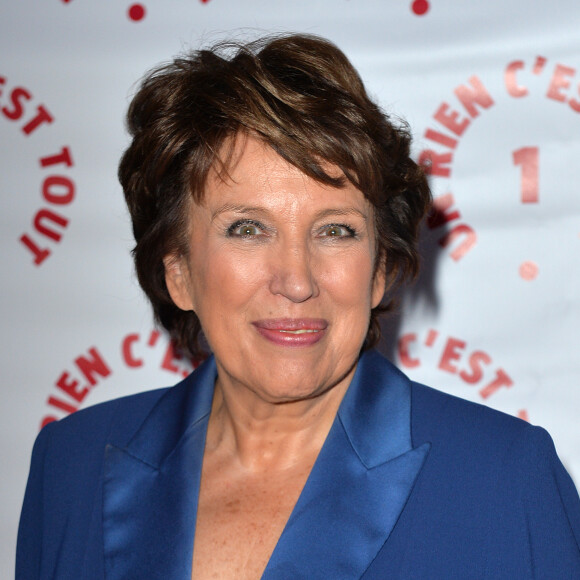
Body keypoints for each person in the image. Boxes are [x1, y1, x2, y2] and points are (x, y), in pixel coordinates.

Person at [16, 34, 580, 579]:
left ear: (380, 269)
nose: (296, 280)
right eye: (247, 229)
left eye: (335, 230)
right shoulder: (71, 464)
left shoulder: (504, 480)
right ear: (179, 272)